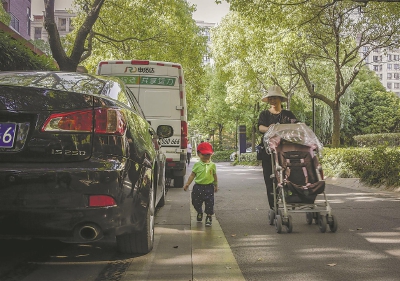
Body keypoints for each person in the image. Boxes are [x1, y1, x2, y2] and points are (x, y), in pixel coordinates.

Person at [258, 85, 297, 210]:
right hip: (268, 152)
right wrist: (271, 129)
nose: (273, 100)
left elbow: (296, 126)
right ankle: (274, 207)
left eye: (275, 98)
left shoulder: (288, 114)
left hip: (286, 152)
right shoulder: (264, 114)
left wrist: (284, 130)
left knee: (288, 176)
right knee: (270, 180)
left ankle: (290, 198)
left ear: (280, 99)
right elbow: (260, 128)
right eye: (271, 98)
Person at [183, 142, 218, 226]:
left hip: (209, 187)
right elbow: (192, 175)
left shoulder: (212, 165)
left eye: (208, 155)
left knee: (210, 203)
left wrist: (216, 185)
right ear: (199, 154)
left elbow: (214, 175)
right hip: (198, 187)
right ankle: (199, 212)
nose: (206, 156)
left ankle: (209, 217)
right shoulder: (197, 165)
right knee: (196, 202)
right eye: (204, 154)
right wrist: (187, 184)